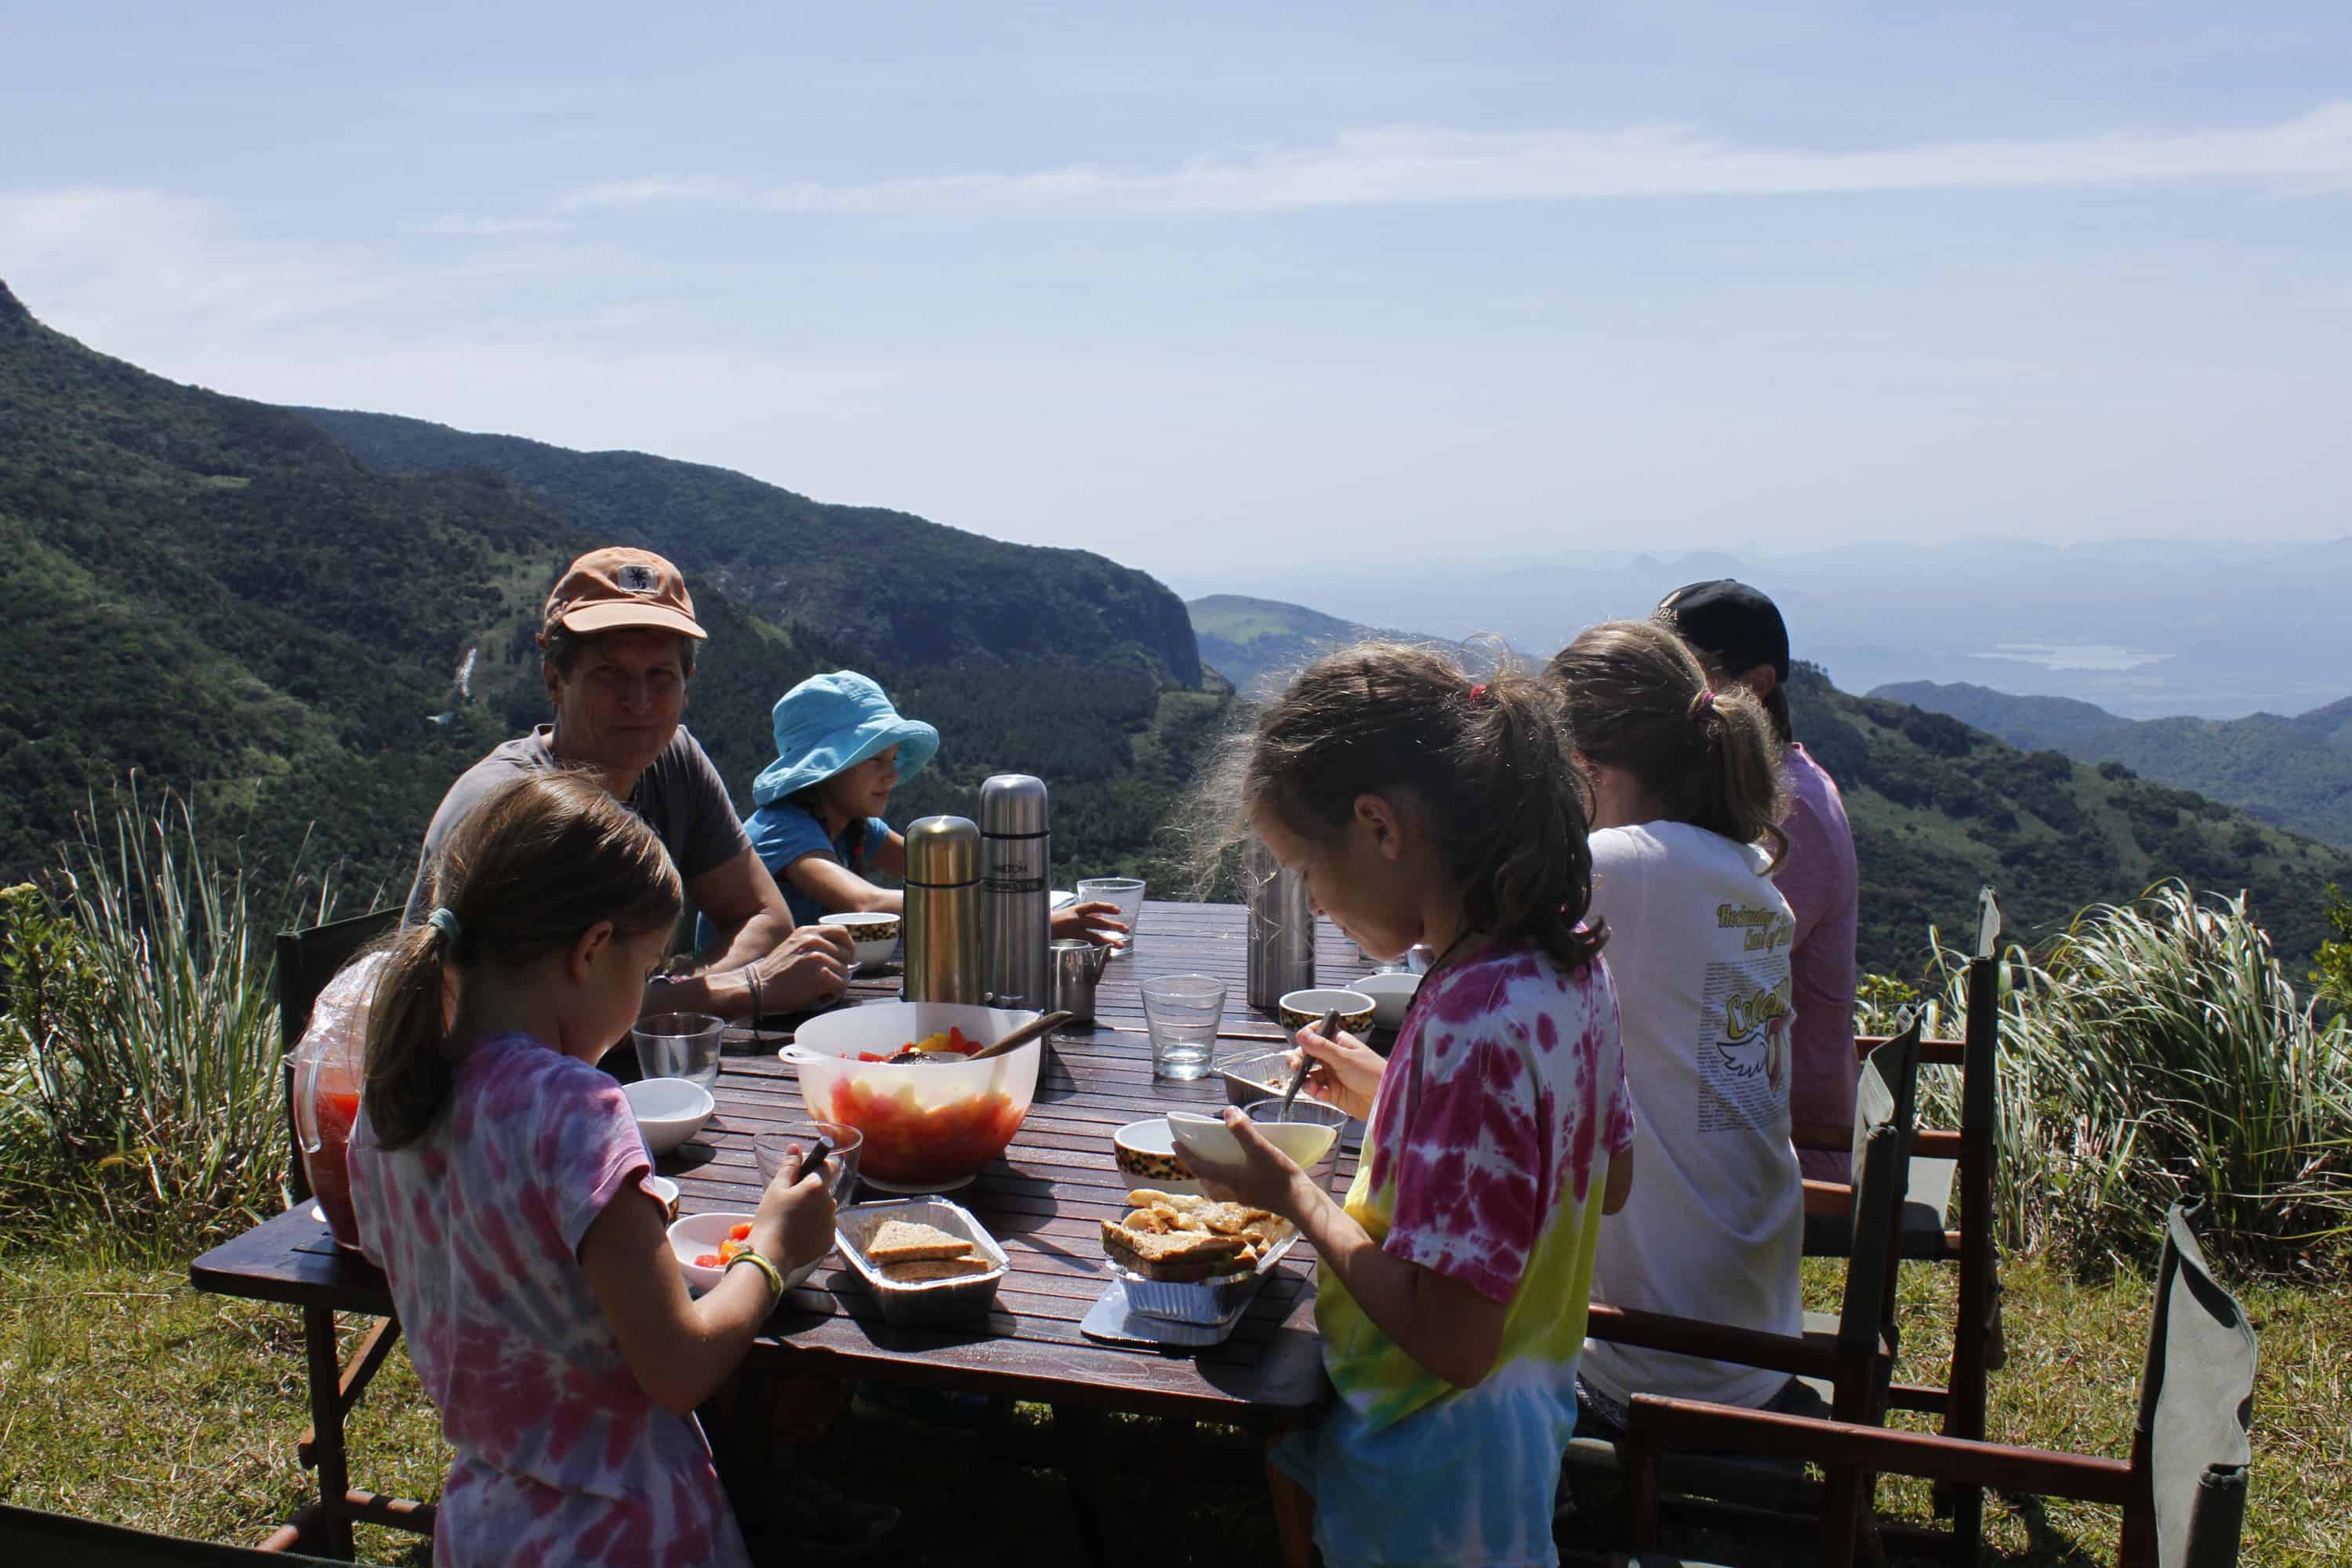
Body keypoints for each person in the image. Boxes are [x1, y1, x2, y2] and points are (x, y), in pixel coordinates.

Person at [1178, 643, 1635, 1568]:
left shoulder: (1469, 1017)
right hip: (1519, 1434)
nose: (1314, 901)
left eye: (1305, 869)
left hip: (1430, 1468)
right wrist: (1400, 1100)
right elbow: (1602, 1172)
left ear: (1381, 826)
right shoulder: (1564, 964)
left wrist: (1291, 1195)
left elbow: (1453, 1336)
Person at [349, 771, 839, 1566]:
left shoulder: (394, 1096)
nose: (644, 988)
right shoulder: (579, 1107)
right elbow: (679, 1368)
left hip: (483, 1526)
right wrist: (773, 1251)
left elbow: (460, 1262)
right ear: (592, 949)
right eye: (648, 968)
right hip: (626, 1530)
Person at [1547, 619, 1808, 1434]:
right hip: (1753, 1338)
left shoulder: (1621, 865)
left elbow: (1456, 937)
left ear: (1583, 765)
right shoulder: (1750, 879)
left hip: (1650, 1366)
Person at [406, 547, 852, 1022]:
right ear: (555, 679)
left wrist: (665, 992)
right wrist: (745, 989)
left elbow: (763, 918)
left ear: (687, 683)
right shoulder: (513, 803)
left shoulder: (674, 760)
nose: (638, 702)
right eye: (609, 674)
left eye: (660, 675)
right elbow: (535, 1016)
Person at [1654, 579, 1860, 1182]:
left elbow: (1708, 971)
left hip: (1785, 1134)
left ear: (1757, 685)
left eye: (1682, 671)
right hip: (1725, 1105)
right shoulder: (1749, 792)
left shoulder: (1792, 813)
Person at [740, 669, 1127, 942]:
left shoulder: (854, 825)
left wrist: (1021, 884)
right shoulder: (784, 829)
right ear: (825, 769)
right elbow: (866, 903)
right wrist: (1027, 921)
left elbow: (947, 874)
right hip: (753, 1013)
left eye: (893, 759)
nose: (892, 775)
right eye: (875, 760)